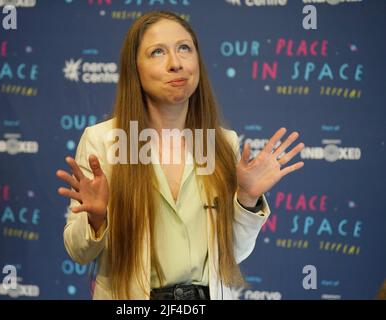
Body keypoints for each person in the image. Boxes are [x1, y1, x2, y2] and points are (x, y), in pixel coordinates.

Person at [56, 11, 304, 300]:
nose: (176, 63)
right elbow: (78, 252)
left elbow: (231, 255)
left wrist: (246, 199)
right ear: (134, 68)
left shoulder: (220, 143)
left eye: (184, 48)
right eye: (157, 52)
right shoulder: (104, 142)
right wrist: (96, 220)